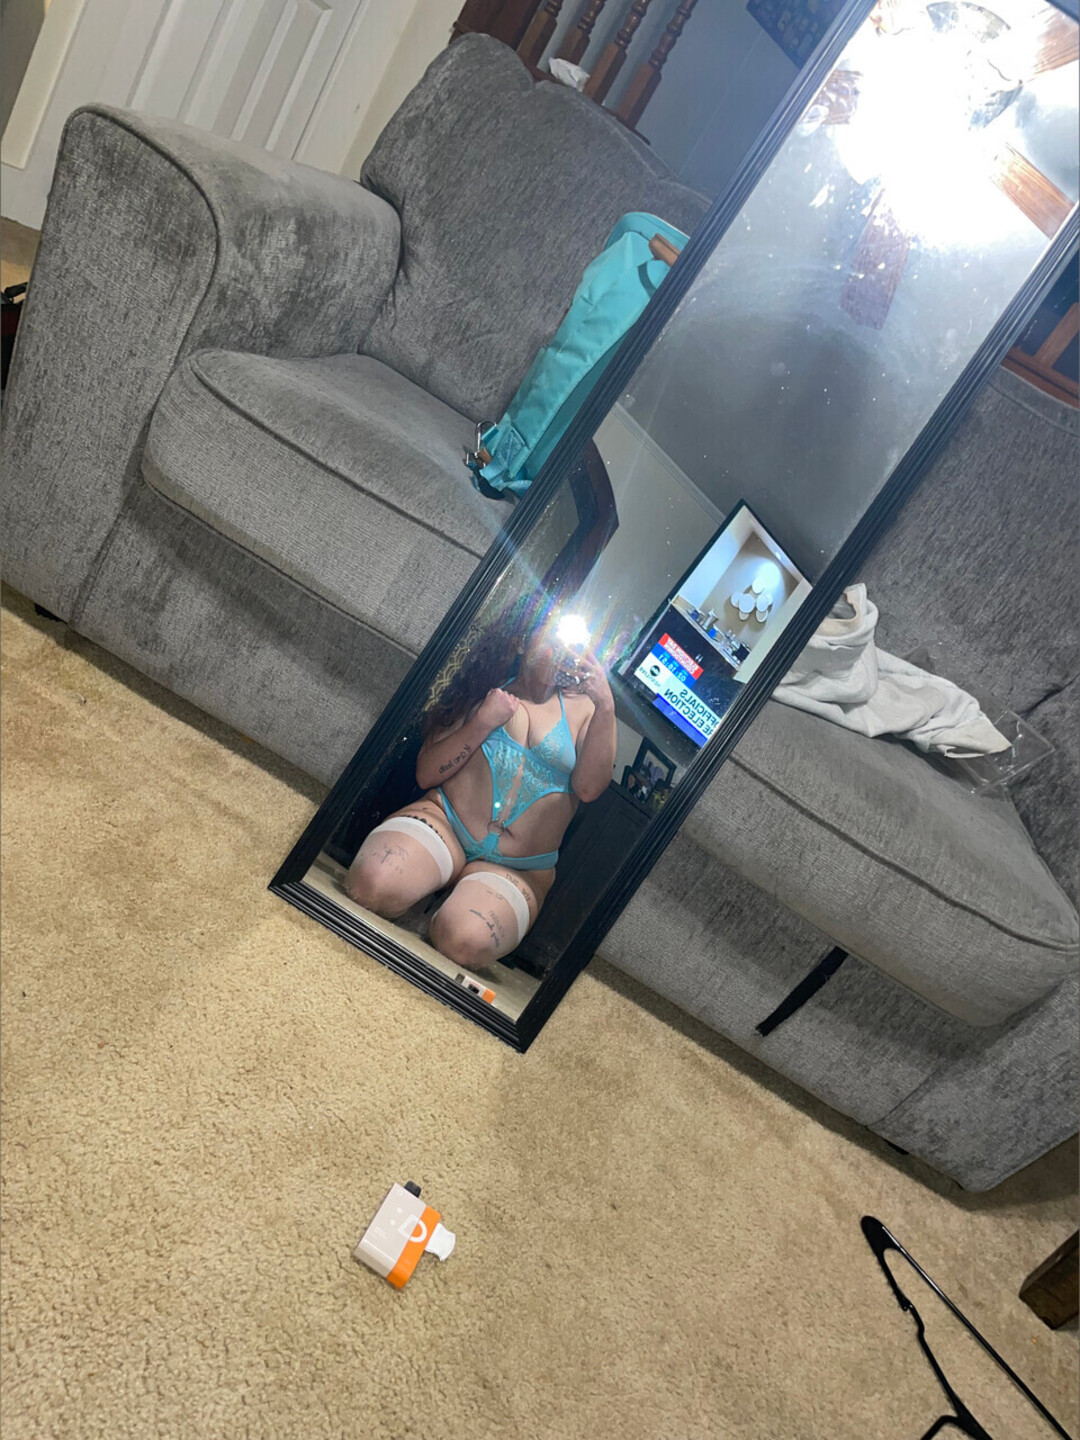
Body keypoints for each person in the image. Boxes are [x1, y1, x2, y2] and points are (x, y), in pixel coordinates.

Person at [345, 610, 617, 971]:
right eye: (553, 641)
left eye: (572, 647)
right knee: (371, 884)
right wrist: (483, 721)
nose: (563, 654)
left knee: (465, 943)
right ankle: (426, 886)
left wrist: (606, 705)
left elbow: (589, 788)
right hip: (445, 822)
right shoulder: (486, 683)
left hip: (520, 868)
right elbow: (426, 774)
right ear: (522, 642)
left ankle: (447, 908)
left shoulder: (589, 712)